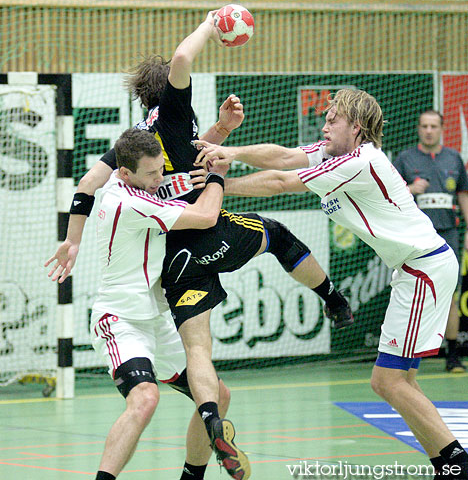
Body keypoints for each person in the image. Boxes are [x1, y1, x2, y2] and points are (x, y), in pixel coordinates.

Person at [46, 11, 352, 480]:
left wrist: (72, 240)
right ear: (168, 90)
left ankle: (200, 456)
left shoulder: (140, 147)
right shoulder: (146, 175)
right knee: (277, 234)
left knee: (209, 376)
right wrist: (214, 21)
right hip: (148, 286)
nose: (157, 178)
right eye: (152, 175)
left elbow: (123, 173)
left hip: (165, 287)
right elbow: (184, 59)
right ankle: (331, 297)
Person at [196, 88, 468, 479]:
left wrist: (218, 184)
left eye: (332, 119)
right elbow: (284, 156)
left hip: (422, 268)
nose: (324, 125)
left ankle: (456, 463)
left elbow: (279, 181)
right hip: (415, 269)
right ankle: (448, 464)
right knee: (398, 381)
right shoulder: (337, 152)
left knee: (389, 381)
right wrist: (229, 151)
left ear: (356, 127)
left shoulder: (359, 161)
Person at [77, 127, 248, 480]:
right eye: (152, 174)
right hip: (121, 319)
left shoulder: (136, 186)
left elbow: (175, 183)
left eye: (161, 170)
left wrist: (218, 132)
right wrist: (216, 177)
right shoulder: (128, 202)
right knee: (145, 398)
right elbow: (205, 216)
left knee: (216, 395)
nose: (159, 179)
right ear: (125, 173)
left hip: (157, 319)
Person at [393, 110, 467, 373]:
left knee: (450, 296)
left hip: (448, 235)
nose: (428, 130)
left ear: (442, 129)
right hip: (414, 239)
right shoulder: (405, 159)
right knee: (413, 295)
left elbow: (463, 195)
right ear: (418, 129)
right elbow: (388, 194)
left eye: (433, 126)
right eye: (424, 125)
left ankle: (453, 355)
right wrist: (411, 189)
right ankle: (410, 355)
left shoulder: (453, 158)